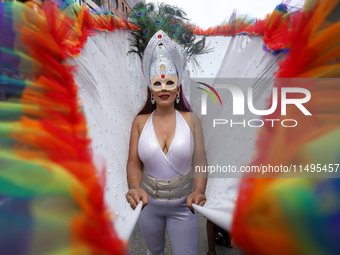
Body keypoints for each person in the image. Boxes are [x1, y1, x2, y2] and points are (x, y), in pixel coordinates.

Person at [124, 3, 210, 254]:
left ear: (178, 87)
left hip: (185, 206)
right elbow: (132, 163)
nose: (163, 87)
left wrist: (199, 191)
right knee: (154, 252)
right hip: (148, 206)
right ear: (150, 89)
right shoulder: (140, 123)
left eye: (169, 81)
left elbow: (201, 161)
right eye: (158, 82)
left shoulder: (191, 120)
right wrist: (135, 186)